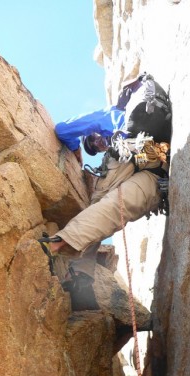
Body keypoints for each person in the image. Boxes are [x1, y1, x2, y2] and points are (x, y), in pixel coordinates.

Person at [41, 81, 171, 309]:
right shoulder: (118, 131)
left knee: (100, 200)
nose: (97, 143)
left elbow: (62, 129)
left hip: (135, 149)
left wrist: (75, 147)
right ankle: (81, 278)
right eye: (94, 147)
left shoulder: (110, 116)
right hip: (154, 166)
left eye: (93, 139)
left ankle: (60, 245)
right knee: (117, 205)